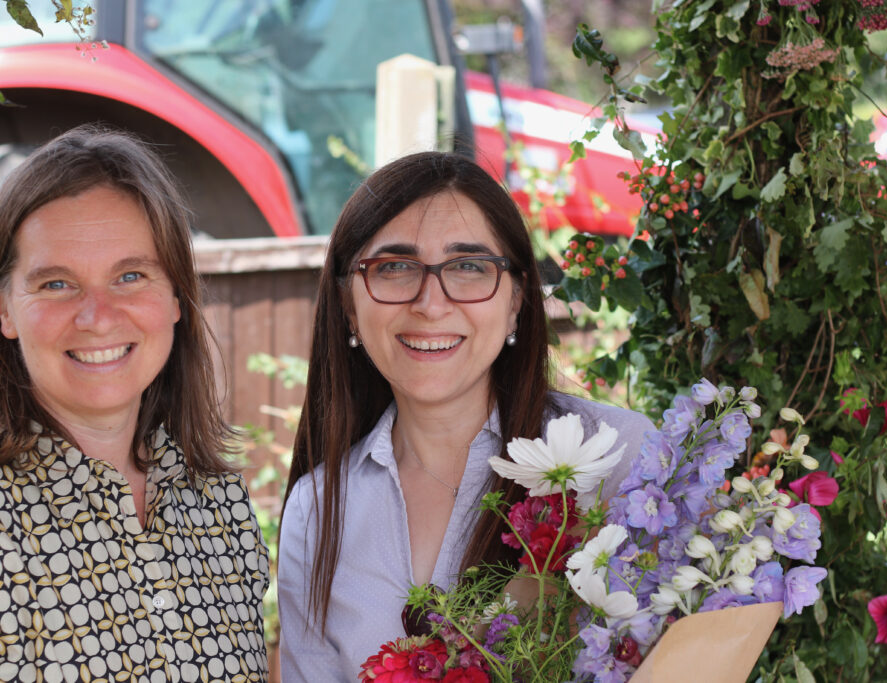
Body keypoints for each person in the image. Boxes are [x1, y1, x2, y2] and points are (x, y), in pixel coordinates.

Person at [0, 126, 269, 682]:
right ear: (4, 308)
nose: (97, 317)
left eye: (130, 276)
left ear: (177, 296)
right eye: (57, 284)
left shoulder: (219, 502)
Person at [276, 150, 655, 681]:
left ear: (516, 299)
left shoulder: (621, 457)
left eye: (469, 266)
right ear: (348, 305)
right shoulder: (317, 509)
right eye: (394, 267)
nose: (431, 304)